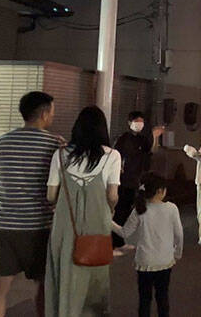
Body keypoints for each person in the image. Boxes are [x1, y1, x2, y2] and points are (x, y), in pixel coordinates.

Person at [0, 92, 60, 317]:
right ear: (45, 113)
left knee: (0, 288)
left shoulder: (1, 141)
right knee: (44, 287)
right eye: (52, 112)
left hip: (5, 227)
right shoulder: (53, 144)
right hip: (40, 228)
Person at [44, 106, 122, 316]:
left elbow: (50, 196)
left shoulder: (60, 155)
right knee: (95, 275)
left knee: (64, 274)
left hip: (65, 225)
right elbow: (113, 195)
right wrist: (111, 210)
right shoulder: (112, 156)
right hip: (97, 223)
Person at [111, 172, 183, 317]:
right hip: (164, 261)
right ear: (160, 191)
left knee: (144, 298)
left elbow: (124, 232)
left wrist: (108, 221)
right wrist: (177, 253)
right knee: (162, 296)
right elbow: (179, 234)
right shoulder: (171, 209)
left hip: (144, 261)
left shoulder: (139, 210)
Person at [112, 111, 156, 249]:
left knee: (130, 212)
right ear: (129, 122)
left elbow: (149, 153)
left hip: (136, 180)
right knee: (120, 211)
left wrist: (155, 136)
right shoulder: (123, 139)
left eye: (141, 121)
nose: (139, 124)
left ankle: (120, 241)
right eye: (137, 121)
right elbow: (117, 156)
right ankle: (114, 242)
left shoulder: (142, 140)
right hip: (124, 180)